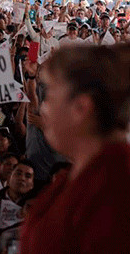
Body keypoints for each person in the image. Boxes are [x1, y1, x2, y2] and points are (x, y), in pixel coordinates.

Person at [21, 45, 130, 253]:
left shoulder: (113, 194)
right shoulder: (83, 176)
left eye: (51, 96)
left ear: (81, 108)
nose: (43, 109)